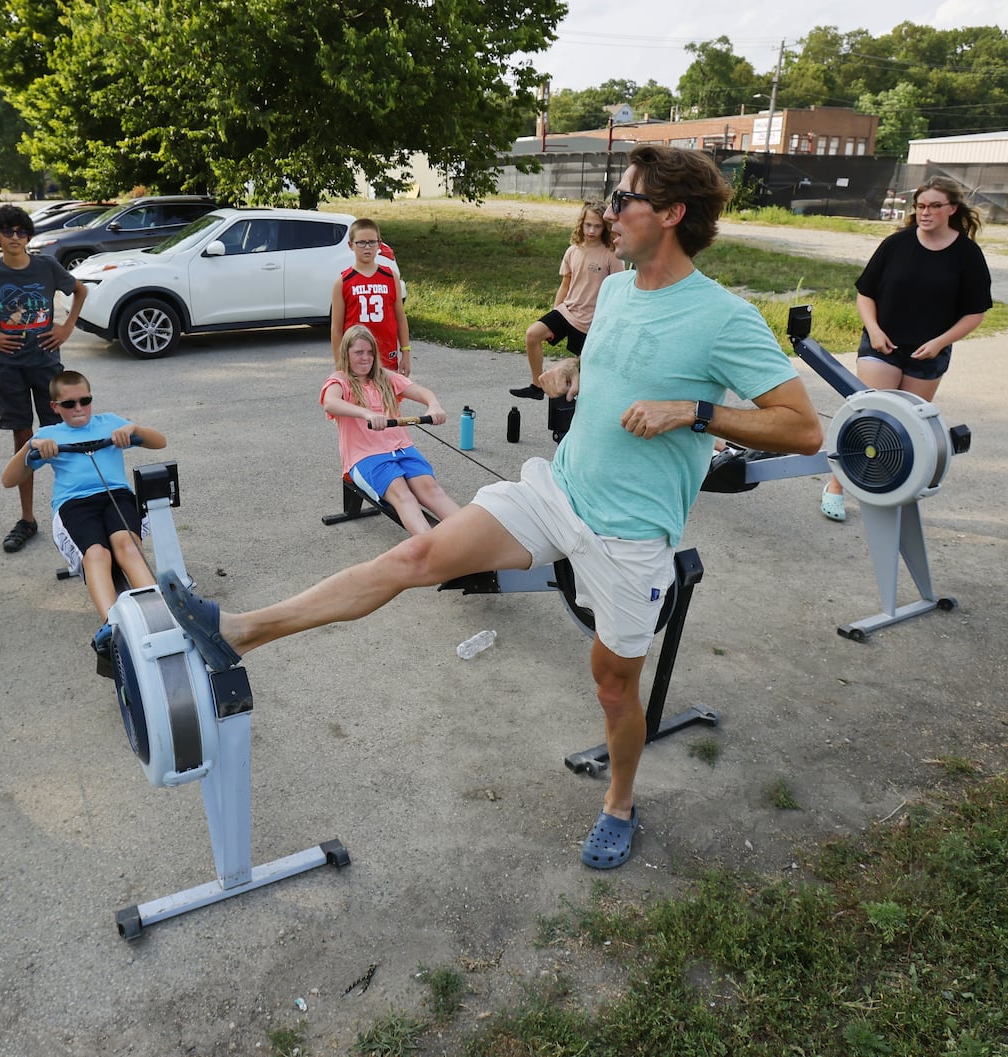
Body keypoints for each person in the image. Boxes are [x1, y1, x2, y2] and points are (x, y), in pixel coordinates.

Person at [156, 145, 823, 870]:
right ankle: (242, 629)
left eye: (623, 199)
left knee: (612, 686)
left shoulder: (724, 318)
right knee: (416, 554)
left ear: (670, 214)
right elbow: (612, 360)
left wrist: (692, 410)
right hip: (555, 491)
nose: (606, 212)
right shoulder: (623, 289)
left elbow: (800, 425)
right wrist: (574, 369)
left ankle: (620, 801)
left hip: (629, 535)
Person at [821, 175, 991, 522]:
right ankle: (836, 487)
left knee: (906, 430)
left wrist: (941, 343)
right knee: (872, 419)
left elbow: (975, 313)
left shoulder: (967, 254)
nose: (925, 212)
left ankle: (883, 490)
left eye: (934, 206)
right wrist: (874, 329)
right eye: (920, 206)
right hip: (882, 344)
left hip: (928, 352)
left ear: (951, 209)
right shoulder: (895, 244)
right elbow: (865, 293)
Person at [0, 203, 89, 553]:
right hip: (8, 367)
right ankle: (28, 518)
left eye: (21, 231)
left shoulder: (45, 265)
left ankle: (74, 512)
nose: (14, 237)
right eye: (7, 232)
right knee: (25, 441)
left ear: (29, 236)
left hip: (46, 364)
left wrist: (66, 327)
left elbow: (80, 290)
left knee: (62, 436)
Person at [0, 370, 167, 660]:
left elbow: (159, 441)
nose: (78, 409)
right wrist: (30, 446)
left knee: (127, 546)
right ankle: (112, 626)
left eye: (85, 401)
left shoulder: (110, 422)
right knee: (97, 555)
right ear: (55, 407)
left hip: (115, 496)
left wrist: (133, 429)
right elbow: (9, 479)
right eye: (69, 404)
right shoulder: (49, 435)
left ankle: (158, 617)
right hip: (74, 504)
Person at [324, 324, 458, 536]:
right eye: (358, 352)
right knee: (402, 494)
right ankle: (431, 547)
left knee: (431, 490)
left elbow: (422, 392)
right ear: (346, 354)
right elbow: (330, 403)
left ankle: (471, 536)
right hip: (365, 456)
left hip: (402, 449)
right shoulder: (340, 380)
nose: (365, 358)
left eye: (370, 352)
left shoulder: (384, 377)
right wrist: (366, 413)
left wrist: (434, 405)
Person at [511, 201, 623, 399]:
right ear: (581, 224)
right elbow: (565, 284)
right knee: (532, 334)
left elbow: (619, 291)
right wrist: (555, 312)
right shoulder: (573, 250)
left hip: (592, 321)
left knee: (587, 372)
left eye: (597, 226)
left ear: (604, 227)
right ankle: (537, 386)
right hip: (567, 311)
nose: (591, 230)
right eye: (588, 225)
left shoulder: (612, 254)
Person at [332, 218, 411, 375]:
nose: (367, 247)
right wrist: (339, 363)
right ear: (351, 245)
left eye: (372, 242)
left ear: (379, 244)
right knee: (358, 399)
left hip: (386, 355)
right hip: (356, 358)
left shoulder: (390, 276)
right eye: (361, 243)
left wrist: (406, 352)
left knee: (387, 399)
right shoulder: (343, 281)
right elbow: (336, 328)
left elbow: (400, 317)